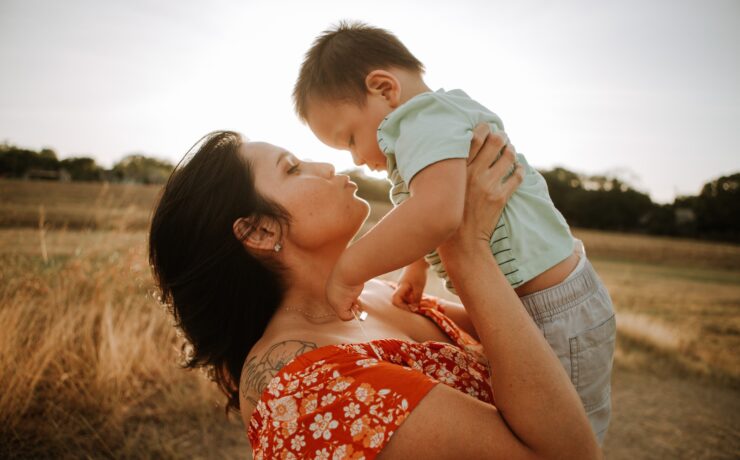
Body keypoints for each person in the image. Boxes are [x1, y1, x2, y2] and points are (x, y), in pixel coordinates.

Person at [148, 125, 602, 458]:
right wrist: (465, 249)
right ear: (261, 231)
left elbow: (534, 340)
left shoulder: (380, 294)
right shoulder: (303, 385)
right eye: (292, 168)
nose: (325, 165)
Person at [293, 21, 616, 441]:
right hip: (539, 302)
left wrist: (349, 270)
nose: (356, 157)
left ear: (384, 89)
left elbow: (436, 213)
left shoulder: (423, 121)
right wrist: (416, 270)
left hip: (554, 308)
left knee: (568, 434)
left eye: (351, 138)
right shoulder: (429, 129)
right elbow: (425, 208)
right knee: (536, 422)